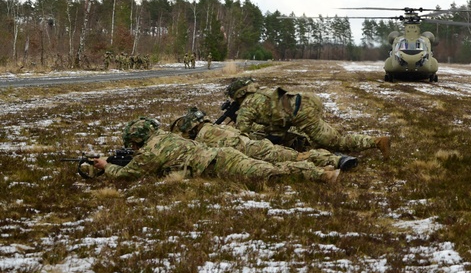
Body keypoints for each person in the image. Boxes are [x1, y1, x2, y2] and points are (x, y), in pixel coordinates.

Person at [90, 117, 340, 184]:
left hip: (218, 164)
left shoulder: (149, 152)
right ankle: (321, 167)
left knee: (271, 174)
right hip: (222, 156)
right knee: (269, 167)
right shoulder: (166, 136)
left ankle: (321, 174)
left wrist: (106, 166)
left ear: (137, 139)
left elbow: (129, 174)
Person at [224, 77, 391, 159]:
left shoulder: (247, 105)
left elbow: (242, 135)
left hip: (301, 113)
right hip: (304, 103)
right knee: (314, 140)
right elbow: (276, 118)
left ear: (239, 95)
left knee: (334, 142)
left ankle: (376, 142)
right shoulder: (262, 94)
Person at [169, 107, 358, 172]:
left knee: (291, 160)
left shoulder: (201, 138)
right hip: (255, 145)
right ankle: (333, 160)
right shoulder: (216, 127)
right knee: (292, 155)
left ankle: (331, 162)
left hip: (250, 152)